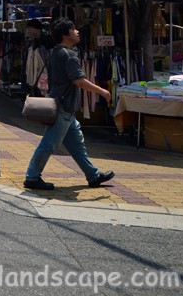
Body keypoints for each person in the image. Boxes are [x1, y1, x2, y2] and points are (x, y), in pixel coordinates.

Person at [24, 19, 115, 191]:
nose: (77, 31)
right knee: (49, 144)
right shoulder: (67, 55)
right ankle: (32, 177)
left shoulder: (57, 52)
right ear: (65, 35)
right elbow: (79, 81)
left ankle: (93, 175)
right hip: (63, 108)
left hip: (65, 108)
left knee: (77, 145)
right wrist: (102, 91)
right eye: (74, 29)